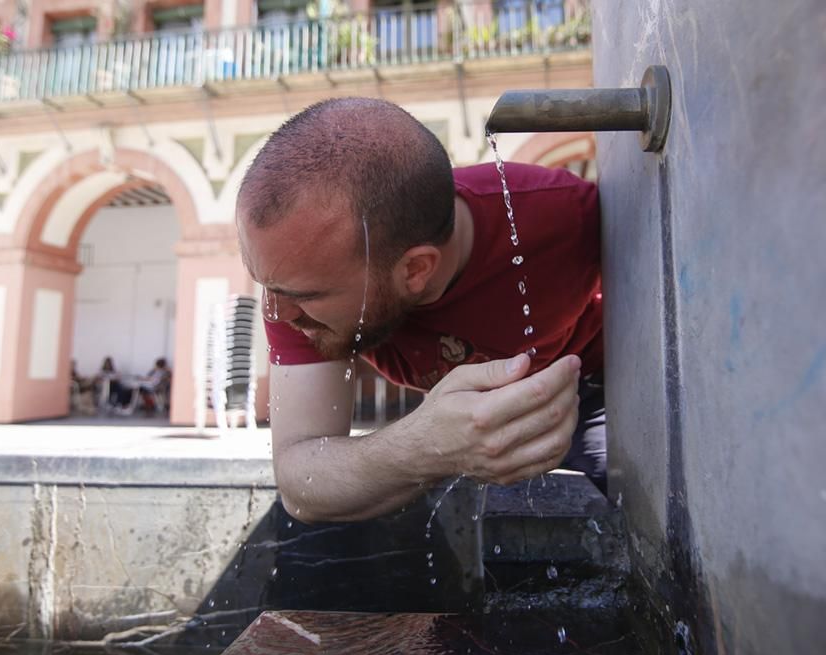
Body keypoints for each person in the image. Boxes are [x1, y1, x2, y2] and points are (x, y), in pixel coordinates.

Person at [237, 97, 604, 524]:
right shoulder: (296, 275)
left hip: (595, 392)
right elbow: (301, 484)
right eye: (265, 283)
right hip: (460, 421)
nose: (274, 312)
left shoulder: (564, 218)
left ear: (415, 269)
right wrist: (426, 445)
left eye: (301, 295)